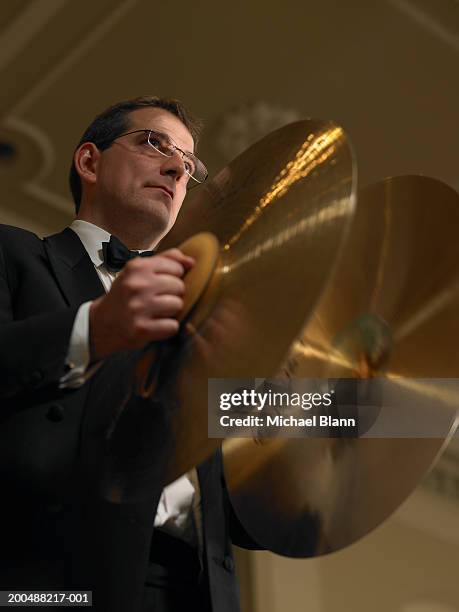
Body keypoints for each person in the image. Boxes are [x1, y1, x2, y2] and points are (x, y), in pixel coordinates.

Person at [0, 96, 258, 612]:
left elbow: (244, 513)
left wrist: (394, 412)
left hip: (195, 592)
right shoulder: (13, 254)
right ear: (89, 162)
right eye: (153, 143)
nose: (175, 169)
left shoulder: (197, 322)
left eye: (188, 165)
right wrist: (94, 327)